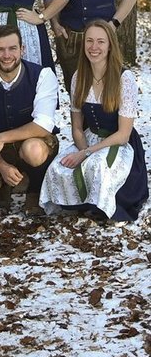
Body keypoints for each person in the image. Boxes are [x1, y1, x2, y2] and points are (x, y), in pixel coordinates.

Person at [40, 20, 148, 222]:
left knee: (97, 166)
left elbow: (123, 135)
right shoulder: (78, 77)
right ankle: (80, 203)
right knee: (58, 168)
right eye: (89, 41)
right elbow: (77, 128)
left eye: (100, 41)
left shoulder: (124, 78)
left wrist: (88, 153)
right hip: (89, 139)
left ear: (110, 45)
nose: (94, 47)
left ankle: (105, 205)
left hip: (118, 143)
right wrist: (83, 151)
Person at [0, 25, 59, 214]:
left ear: (22, 49)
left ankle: (34, 190)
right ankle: (4, 185)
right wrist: (1, 166)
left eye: (12, 48)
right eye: (0, 49)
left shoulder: (42, 75)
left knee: (33, 150)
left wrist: (1, 137)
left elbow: (43, 125)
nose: (6, 55)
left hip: (37, 142)